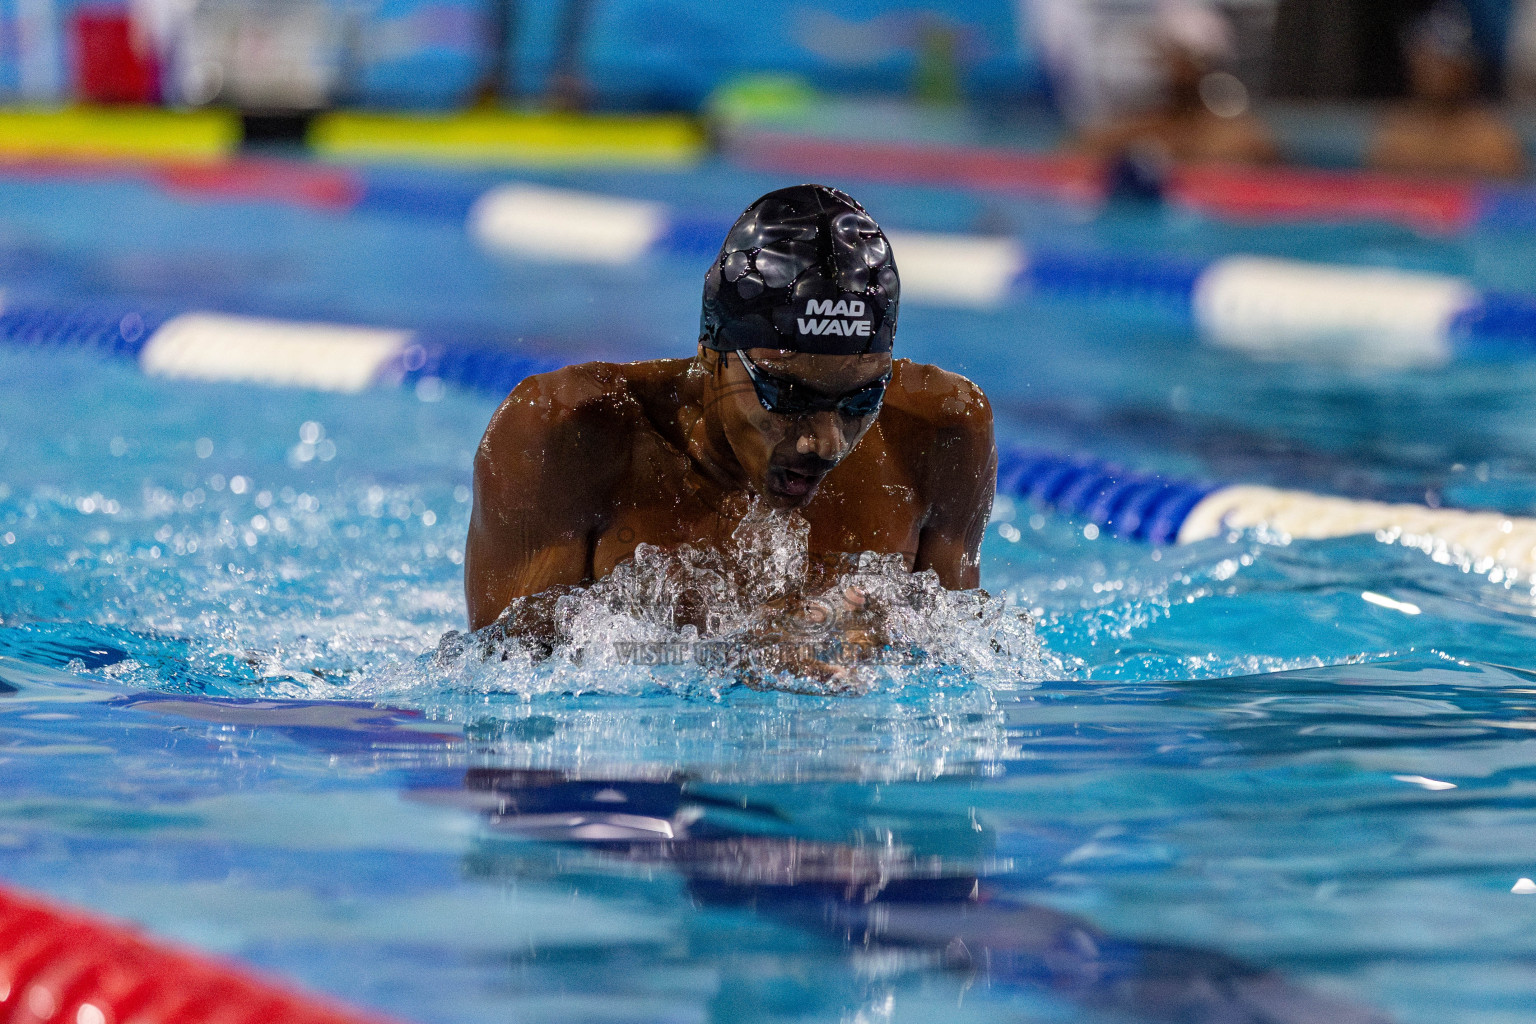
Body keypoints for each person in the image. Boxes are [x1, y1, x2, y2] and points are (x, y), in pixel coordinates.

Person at [464, 184, 997, 650]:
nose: (827, 441)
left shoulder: (939, 433)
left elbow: (961, 668)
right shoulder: (565, 433)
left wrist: (893, 645)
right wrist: (737, 656)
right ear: (711, 349)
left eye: (861, 399)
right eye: (788, 394)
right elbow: (502, 677)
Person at [1074, 0, 1279, 181]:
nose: (1174, 68)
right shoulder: (1126, 132)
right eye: (1169, 56)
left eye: (1182, 57)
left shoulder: (1245, 141)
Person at [1367, 1, 1526, 179]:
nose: (1436, 72)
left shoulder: (1492, 138)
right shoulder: (1396, 134)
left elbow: (1510, 198)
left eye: (1446, 61)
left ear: (1468, 69)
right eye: (1428, 60)